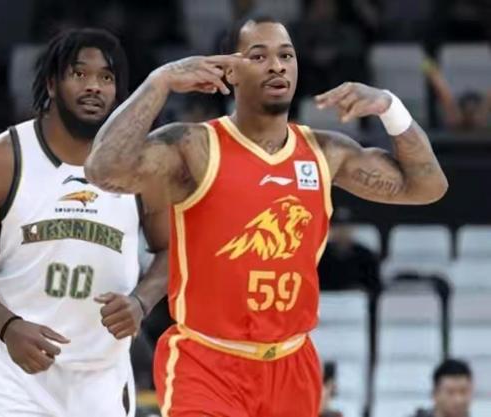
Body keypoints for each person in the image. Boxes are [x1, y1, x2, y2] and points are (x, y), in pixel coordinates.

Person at [85, 14, 448, 417]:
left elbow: (428, 187)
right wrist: (160, 82)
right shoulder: (195, 146)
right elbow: (103, 170)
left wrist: (390, 108)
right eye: (258, 56)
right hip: (208, 363)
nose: (277, 65)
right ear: (230, 72)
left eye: (286, 55)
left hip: (292, 365)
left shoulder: (325, 152)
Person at [0, 28, 169, 417]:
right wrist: (7, 326)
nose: (94, 86)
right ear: (51, 84)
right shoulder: (0, 160)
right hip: (12, 372)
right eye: (79, 74)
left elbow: (173, 251)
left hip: (100, 376)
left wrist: (141, 302)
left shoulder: (142, 167)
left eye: (106, 77)